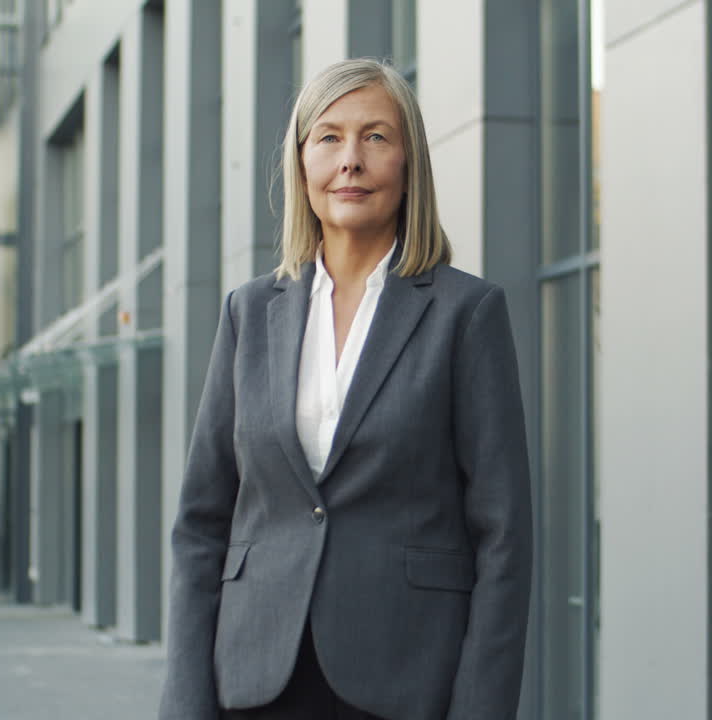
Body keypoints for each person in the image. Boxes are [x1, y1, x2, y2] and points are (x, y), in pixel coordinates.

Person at [157, 58, 532, 720]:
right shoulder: (250, 313)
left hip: (405, 680)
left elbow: (503, 538)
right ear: (302, 164)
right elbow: (201, 524)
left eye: (376, 137)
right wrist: (186, 704)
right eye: (328, 137)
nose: (350, 160)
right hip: (256, 678)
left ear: (410, 164)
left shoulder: (465, 314)